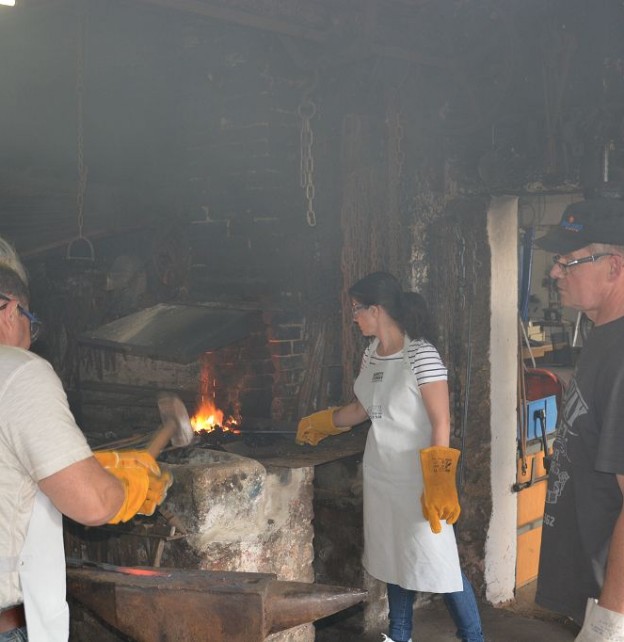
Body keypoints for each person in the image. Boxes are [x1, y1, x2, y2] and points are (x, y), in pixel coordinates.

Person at [296, 272, 483, 642]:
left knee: (440, 562)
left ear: (376, 309)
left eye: (356, 309)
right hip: (382, 474)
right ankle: (399, 636)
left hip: (420, 480)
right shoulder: (371, 354)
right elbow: (360, 409)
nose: (353, 317)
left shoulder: (421, 354)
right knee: (395, 559)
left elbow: (441, 420)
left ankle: (473, 637)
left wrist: (439, 481)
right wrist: (323, 423)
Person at [0, 245, 172, 642]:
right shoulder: (19, 371)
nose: (30, 340)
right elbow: (93, 504)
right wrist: (127, 487)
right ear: (11, 311)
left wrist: (86, 465)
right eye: (31, 323)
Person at [534, 198, 624, 641]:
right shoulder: (601, 337)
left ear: (614, 267)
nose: (555, 273)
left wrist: (611, 618)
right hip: (591, 590)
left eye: (568, 261)